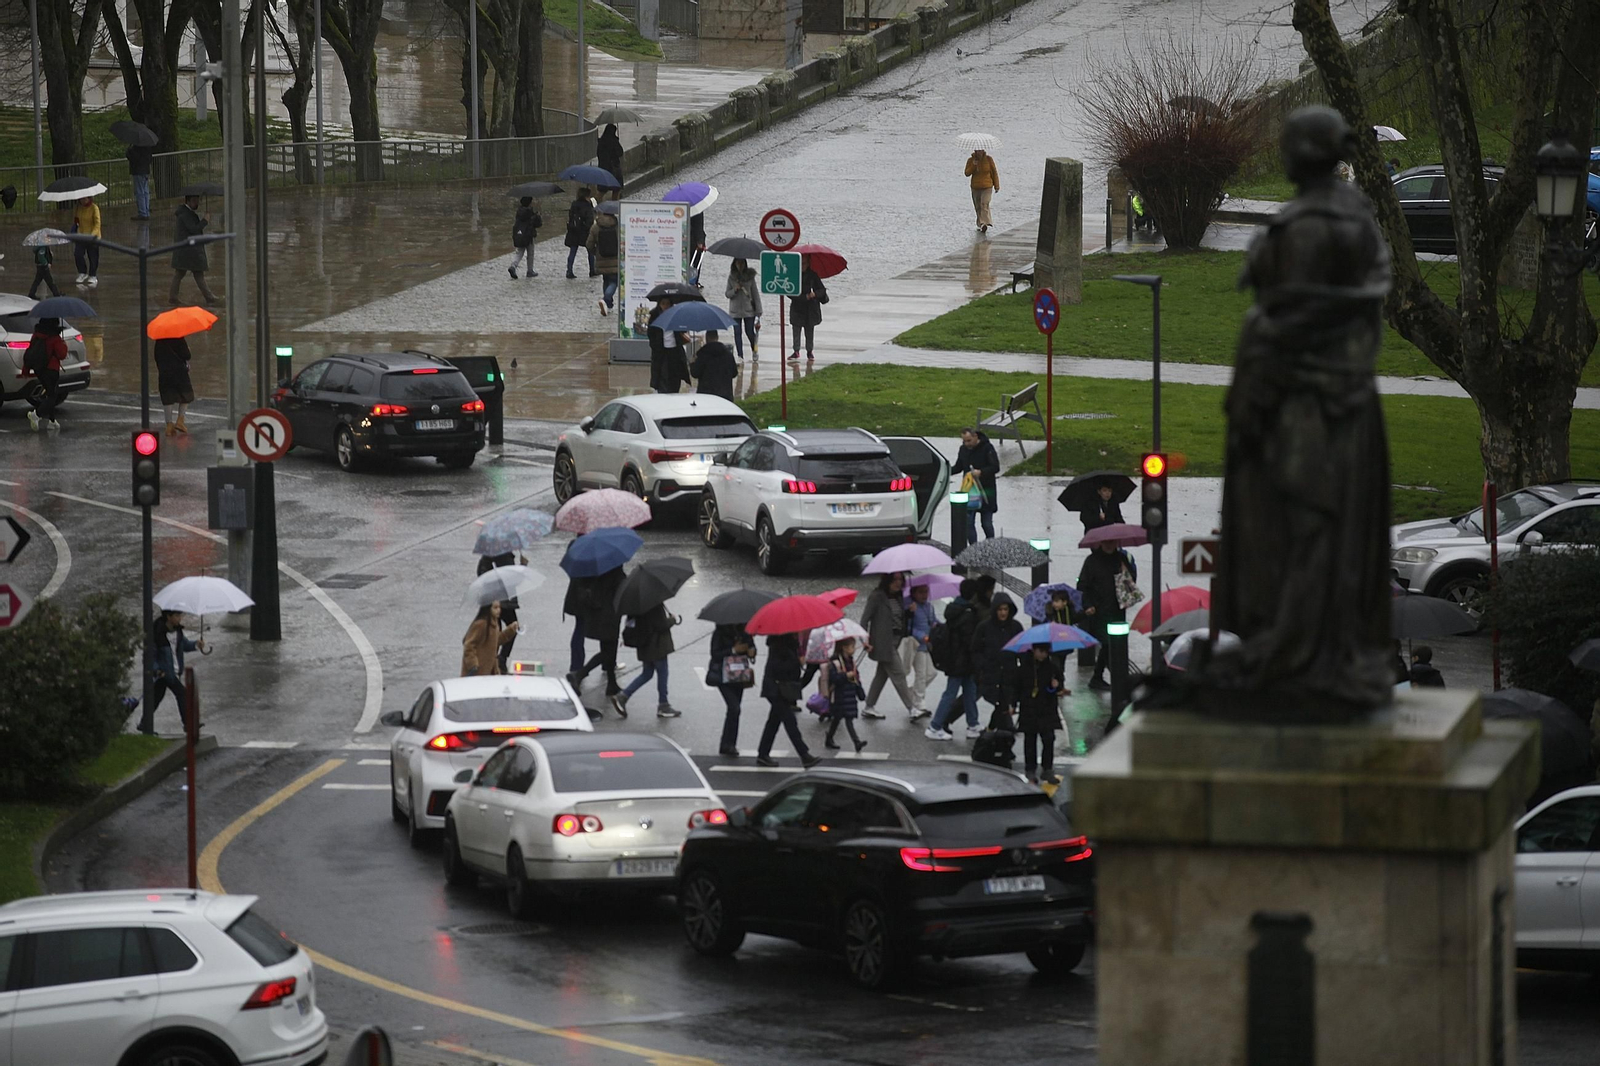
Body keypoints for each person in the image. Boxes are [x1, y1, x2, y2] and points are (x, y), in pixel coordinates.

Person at [926, 578, 983, 740]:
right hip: (962, 660)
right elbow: (970, 640)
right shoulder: (968, 614)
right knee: (951, 693)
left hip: (955, 658)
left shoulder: (955, 609)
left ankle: (973, 723)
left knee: (970, 691)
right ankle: (935, 726)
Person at [860, 572, 920, 720]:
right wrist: (864, 640)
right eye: (895, 580)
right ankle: (912, 708)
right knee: (899, 674)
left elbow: (899, 619)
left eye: (900, 580)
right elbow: (864, 619)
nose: (898, 583)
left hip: (895, 640)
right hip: (882, 642)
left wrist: (910, 613)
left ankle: (869, 706)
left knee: (882, 675)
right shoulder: (877, 596)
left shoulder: (898, 597)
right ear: (887, 581)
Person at [756, 633, 822, 768]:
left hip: (779, 688)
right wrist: (797, 662)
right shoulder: (779, 645)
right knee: (790, 721)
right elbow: (779, 668)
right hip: (776, 689)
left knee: (773, 723)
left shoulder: (789, 644)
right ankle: (804, 755)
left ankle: (763, 754)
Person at [568, 566, 627, 716]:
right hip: (609, 615)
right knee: (608, 652)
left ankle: (612, 684)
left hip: (598, 613)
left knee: (608, 649)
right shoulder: (616, 571)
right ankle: (579, 674)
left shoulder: (598, 569)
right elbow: (621, 589)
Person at [1078, 541, 1132, 690]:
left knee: (1114, 644)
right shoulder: (1092, 561)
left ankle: (1101, 676)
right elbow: (1083, 585)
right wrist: (1088, 604)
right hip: (1099, 611)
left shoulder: (1122, 558)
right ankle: (1112, 677)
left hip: (1117, 609)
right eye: (1106, 543)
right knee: (1108, 643)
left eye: (1112, 542)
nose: (1109, 545)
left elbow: (1131, 579)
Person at [142, 609, 204, 733]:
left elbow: (185, 645)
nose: (179, 618)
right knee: (182, 694)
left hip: (172, 672)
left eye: (180, 615)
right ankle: (188, 724)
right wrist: (157, 670)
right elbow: (149, 656)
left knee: (155, 698)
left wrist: (196, 645)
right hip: (165, 673)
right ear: (168, 617)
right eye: (176, 616)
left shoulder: (178, 631)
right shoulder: (156, 633)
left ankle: (144, 724)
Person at [616, 603, 681, 717]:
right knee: (662, 673)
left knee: (647, 674)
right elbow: (661, 625)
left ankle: (624, 696)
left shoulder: (636, 604)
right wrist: (672, 620)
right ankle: (663, 704)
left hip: (644, 645)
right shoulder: (654, 604)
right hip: (656, 645)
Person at [1015, 643, 1065, 784]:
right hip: (1029, 708)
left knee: (1048, 738)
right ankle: (1030, 769)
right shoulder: (1024, 668)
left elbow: (1060, 682)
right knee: (1030, 739)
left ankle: (1047, 768)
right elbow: (1016, 687)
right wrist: (1013, 703)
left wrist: (1056, 685)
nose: (1043, 655)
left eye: (1045, 652)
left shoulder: (1052, 667)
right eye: (1040, 651)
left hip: (1047, 708)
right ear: (1034, 651)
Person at [972, 591, 1024, 719]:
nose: (1003, 613)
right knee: (999, 703)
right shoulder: (984, 627)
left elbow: (1022, 649)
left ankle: (999, 728)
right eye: (1000, 609)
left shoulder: (1016, 627)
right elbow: (975, 649)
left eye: (1005, 609)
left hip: (1009, 673)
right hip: (990, 673)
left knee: (1004, 704)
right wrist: (982, 666)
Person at [708, 622, 757, 756]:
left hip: (739, 675)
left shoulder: (745, 631)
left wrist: (751, 651)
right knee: (734, 707)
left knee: (734, 710)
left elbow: (751, 647)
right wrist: (734, 650)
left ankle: (729, 744)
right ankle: (727, 744)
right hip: (723, 676)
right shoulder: (720, 632)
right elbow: (715, 654)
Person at [820, 636, 869, 752]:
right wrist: (846, 675)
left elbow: (856, 678)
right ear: (844, 648)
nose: (854, 649)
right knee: (847, 719)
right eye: (852, 646)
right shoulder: (835, 662)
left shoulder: (851, 661)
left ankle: (829, 738)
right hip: (839, 695)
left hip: (849, 695)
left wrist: (859, 691)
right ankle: (856, 742)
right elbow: (834, 678)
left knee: (838, 719)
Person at [952, 427, 1000, 541]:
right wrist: (944, 471)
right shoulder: (963, 449)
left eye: (969, 440)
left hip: (986, 490)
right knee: (968, 523)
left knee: (986, 523)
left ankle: (990, 545)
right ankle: (973, 548)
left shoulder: (987, 448)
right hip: (970, 491)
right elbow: (958, 466)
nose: (966, 444)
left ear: (975, 437)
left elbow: (995, 467)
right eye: (964, 441)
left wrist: (981, 472)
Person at [478, 552, 522, 672]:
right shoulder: (505, 556)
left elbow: (481, 574)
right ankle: (500, 659)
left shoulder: (487, 556)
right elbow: (511, 580)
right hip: (503, 600)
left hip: (492, 599)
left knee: (495, 630)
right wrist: (523, 567)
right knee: (513, 627)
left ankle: (492, 661)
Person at [170, 195, 218, 305]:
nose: (197, 203)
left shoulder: (187, 213)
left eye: (198, 200)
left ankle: (173, 297)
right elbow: (194, 229)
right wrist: (205, 221)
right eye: (194, 201)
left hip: (187, 250)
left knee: (184, 273)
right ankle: (209, 297)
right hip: (188, 251)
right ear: (188, 201)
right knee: (193, 273)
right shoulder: (185, 214)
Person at [22, 318, 68, 432]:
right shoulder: (55, 338)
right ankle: (36, 415)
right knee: (52, 396)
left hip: (39, 369)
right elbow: (62, 355)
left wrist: (26, 369)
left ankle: (52, 421)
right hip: (51, 370)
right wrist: (63, 344)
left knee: (50, 393)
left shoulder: (36, 335)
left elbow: (30, 351)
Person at [901, 582, 939, 716]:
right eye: (921, 592)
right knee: (921, 674)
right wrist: (923, 636)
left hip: (926, 646)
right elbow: (909, 627)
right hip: (915, 645)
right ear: (913, 593)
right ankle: (919, 702)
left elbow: (934, 621)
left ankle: (912, 692)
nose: (924, 595)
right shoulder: (910, 606)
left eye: (926, 591)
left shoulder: (929, 606)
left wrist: (939, 627)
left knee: (932, 673)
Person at [461, 601, 517, 676]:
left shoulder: (494, 624)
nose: (499, 610)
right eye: (495, 608)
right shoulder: (481, 624)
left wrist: (511, 630)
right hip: (477, 671)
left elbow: (496, 640)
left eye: (499, 607)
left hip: (490, 670)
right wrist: (473, 664)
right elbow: (468, 644)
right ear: (488, 609)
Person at [154, 336, 195, 436]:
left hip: (164, 373)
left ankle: (169, 425)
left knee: (167, 397)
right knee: (186, 394)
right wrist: (188, 350)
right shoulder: (178, 338)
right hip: (179, 372)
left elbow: (156, 357)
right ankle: (180, 421)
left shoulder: (159, 341)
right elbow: (187, 355)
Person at [789, 255, 827, 362]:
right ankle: (796, 351)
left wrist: (814, 294)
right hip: (797, 307)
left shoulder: (813, 276)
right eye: (801, 263)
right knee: (796, 329)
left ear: (809, 263)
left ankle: (809, 351)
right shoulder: (794, 275)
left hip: (810, 308)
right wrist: (804, 297)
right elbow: (790, 292)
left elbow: (822, 290)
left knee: (809, 331)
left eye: (804, 263)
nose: (802, 266)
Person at [725, 258, 761, 360]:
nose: (739, 265)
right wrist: (734, 290)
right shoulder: (731, 277)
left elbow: (755, 294)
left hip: (748, 310)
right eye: (738, 263)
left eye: (741, 263)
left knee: (749, 331)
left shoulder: (750, 277)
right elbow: (727, 294)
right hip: (735, 311)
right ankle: (740, 355)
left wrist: (758, 310)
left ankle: (754, 350)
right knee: (737, 332)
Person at [588, 205, 621, 315]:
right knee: (614, 281)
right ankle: (606, 299)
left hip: (602, 258)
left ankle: (609, 305)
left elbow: (589, 244)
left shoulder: (595, 227)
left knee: (606, 280)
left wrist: (595, 253)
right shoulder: (618, 226)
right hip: (616, 259)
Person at [691, 329, 737, 400]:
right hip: (725, 396)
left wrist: (692, 363)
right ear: (717, 337)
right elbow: (734, 373)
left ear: (706, 338)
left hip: (706, 395)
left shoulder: (702, 355)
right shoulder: (728, 354)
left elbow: (695, 373)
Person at [964, 148, 1000, 233]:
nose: (979, 152)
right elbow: (967, 173)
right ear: (975, 151)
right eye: (977, 151)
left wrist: (997, 185)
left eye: (980, 151)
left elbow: (994, 172)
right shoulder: (970, 160)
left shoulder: (988, 159)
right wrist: (973, 165)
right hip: (975, 187)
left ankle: (985, 222)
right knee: (978, 206)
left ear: (983, 151)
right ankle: (980, 223)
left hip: (987, 186)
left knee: (984, 203)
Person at [564, 187, 596, 279]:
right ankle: (592, 270)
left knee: (572, 251)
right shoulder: (587, 206)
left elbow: (570, 217)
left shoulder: (574, 204)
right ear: (586, 196)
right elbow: (589, 220)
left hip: (574, 231)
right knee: (590, 251)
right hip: (584, 232)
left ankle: (569, 271)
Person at [71, 195, 102, 286]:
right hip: (81, 235)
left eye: (85, 199)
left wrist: (92, 235)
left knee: (93, 257)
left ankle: (93, 275)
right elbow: (77, 221)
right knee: (78, 254)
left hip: (93, 237)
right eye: (81, 199)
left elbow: (97, 224)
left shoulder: (94, 208)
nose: (83, 201)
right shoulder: (79, 208)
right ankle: (82, 272)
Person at [508, 196, 540, 279]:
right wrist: (537, 216)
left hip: (520, 234)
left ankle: (513, 266)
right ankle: (530, 271)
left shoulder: (519, 211)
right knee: (530, 253)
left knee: (519, 252)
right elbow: (537, 224)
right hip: (528, 235)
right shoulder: (530, 212)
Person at [127, 142, 154, 220]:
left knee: (139, 192)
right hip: (145, 170)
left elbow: (133, 158)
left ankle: (142, 213)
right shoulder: (148, 146)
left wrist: (129, 151)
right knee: (145, 191)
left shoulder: (136, 148)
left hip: (138, 171)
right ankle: (146, 211)